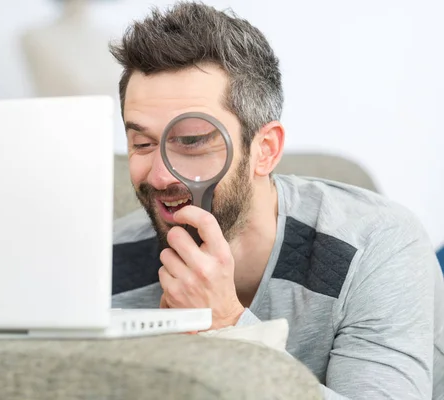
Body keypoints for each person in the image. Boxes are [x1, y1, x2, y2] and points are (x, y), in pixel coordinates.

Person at [108, 2, 444, 399]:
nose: (161, 175)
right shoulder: (106, 260)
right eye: (142, 143)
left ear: (264, 150)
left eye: (193, 141)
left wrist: (227, 326)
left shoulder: (377, 245)